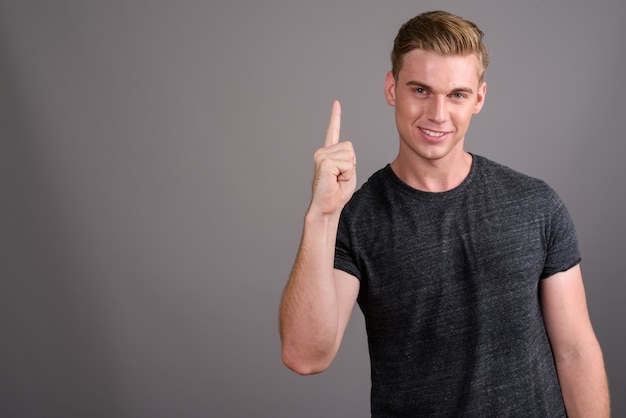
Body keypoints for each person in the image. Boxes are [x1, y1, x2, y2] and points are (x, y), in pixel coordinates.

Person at [279, 10, 609, 417]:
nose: (437, 113)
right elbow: (306, 355)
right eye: (421, 90)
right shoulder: (357, 218)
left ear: (479, 99)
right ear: (391, 88)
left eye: (456, 94)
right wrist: (321, 216)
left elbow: (576, 351)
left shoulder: (535, 204)